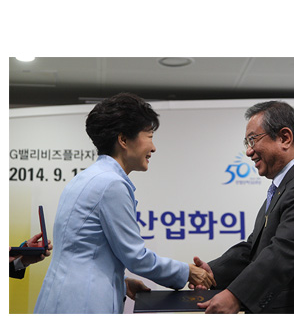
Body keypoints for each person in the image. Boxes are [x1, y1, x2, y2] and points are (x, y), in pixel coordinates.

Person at [34, 93, 215, 314]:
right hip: (84, 304)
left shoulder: (85, 178)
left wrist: (121, 282)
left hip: (63, 297)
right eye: (149, 136)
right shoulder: (111, 184)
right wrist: (187, 272)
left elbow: (84, 253)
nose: (154, 147)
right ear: (123, 140)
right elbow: (137, 258)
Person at [192, 101, 294, 314]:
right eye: (246, 142)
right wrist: (213, 272)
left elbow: (284, 253)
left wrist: (235, 296)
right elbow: (254, 248)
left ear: (285, 138)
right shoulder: (285, 186)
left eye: (253, 140)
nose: (248, 151)